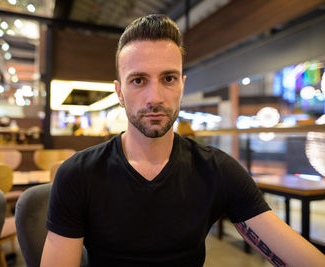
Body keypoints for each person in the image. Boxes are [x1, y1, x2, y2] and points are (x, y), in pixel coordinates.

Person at [41, 14, 325, 266]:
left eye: (168, 78)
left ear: (182, 85)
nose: (155, 97)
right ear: (119, 91)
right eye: (138, 80)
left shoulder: (216, 170)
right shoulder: (78, 175)